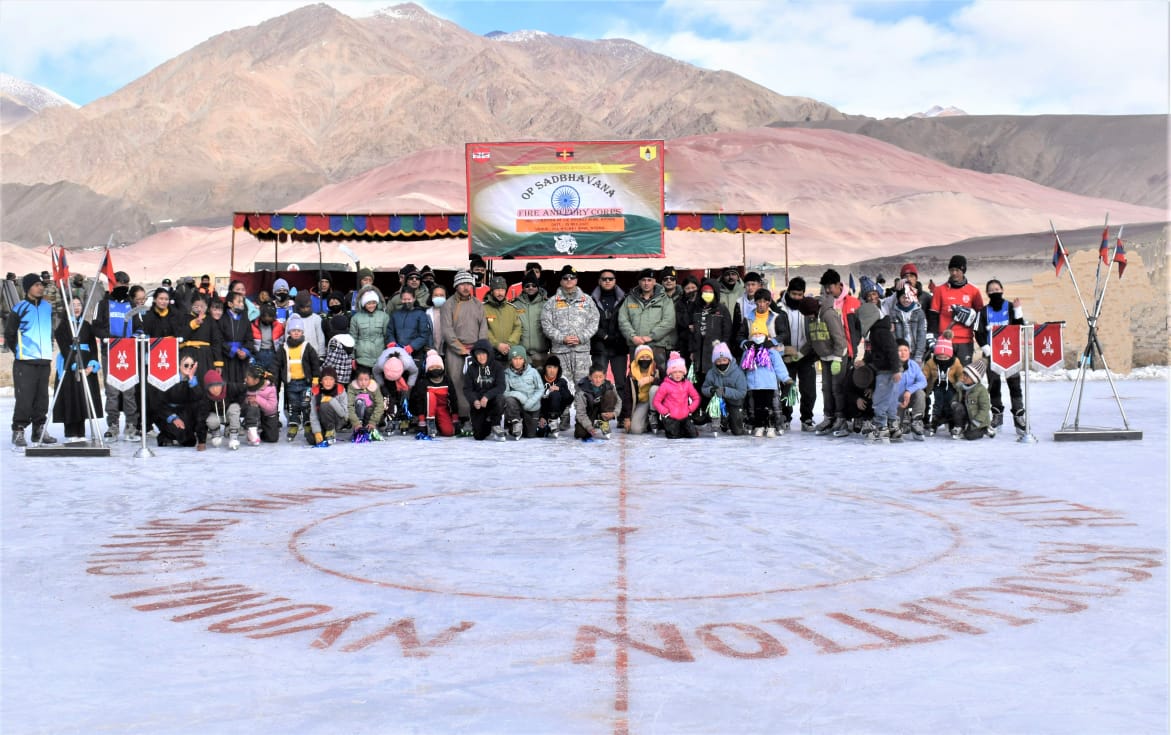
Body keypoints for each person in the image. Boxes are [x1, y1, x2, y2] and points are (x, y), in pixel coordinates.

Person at [6, 274, 58, 446]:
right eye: (36, 285)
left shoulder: (47, 307)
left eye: (41, 285)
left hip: (44, 360)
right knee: (25, 398)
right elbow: (10, 334)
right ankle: (19, 430)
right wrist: (20, 352)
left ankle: (39, 430)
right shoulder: (19, 308)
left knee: (42, 398)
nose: (40, 288)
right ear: (28, 287)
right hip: (25, 361)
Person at [92, 272, 143, 441]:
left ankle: (131, 425)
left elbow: (139, 328)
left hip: (128, 352)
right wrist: (109, 338)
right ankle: (112, 424)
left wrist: (135, 337)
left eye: (126, 283)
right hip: (110, 352)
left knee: (129, 390)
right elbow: (96, 327)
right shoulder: (103, 304)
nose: (123, 286)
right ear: (112, 284)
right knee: (112, 391)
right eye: (120, 283)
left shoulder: (132, 305)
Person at [976, 279, 1027, 434]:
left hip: (1010, 354)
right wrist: (986, 349)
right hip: (992, 355)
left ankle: (1019, 417)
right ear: (987, 293)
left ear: (1002, 290)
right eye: (991, 290)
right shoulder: (984, 312)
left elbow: (1021, 328)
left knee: (1014, 385)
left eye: (997, 289)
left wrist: (1018, 311)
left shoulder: (1010, 307)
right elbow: (979, 332)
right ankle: (997, 415)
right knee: (994, 385)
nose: (994, 292)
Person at [52, 296, 104, 444]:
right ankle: (70, 432)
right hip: (70, 364)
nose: (76, 307)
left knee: (83, 398)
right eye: (72, 304)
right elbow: (64, 348)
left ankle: (80, 431)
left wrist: (92, 364)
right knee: (71, 397)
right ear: (67, 308)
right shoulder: (63, 327)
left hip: (87, 364)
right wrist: (76, 365)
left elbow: (93, 346)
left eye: (78, 304)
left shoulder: (86, 326)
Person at [811, 269, 855, 437]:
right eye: (825, 287)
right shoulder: (824, 305)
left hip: (844, 350)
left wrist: (852, 350)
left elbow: (854, 329)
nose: (827, 290)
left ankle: (841, 417)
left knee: (839, 387)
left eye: (830, 287)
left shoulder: (850, 302)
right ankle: (829, 416)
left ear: (838, 285)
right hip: (829, 352)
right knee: (827, 387)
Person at [440, 270, 488, 422]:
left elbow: (483, 327)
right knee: (456, 381)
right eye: (462, 284)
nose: (466, 287)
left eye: (468, 284)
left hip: (475, 350)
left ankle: (476, 414)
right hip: (455, 351)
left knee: (477, 382)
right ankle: (459, 416)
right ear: (456, 286)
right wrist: (461, 349)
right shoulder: (448, 305)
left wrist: (479, 348)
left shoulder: (478, 304)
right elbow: (447, 330)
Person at [540, 266, 599, 391]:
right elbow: (546, 324)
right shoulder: (551, 302)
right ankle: (565, 411)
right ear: (561, 281)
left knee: (584, 387)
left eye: (572, 277)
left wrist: (581, 337)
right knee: (562, 386)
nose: (569, 280)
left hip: (581, 351)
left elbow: (594, 322)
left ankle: (582, 411)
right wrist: (562, 338)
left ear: (576, 280)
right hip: (561, 351)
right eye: (565, 278)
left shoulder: (587, 301)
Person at [775, 277, 818, 431]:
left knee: (809, 389)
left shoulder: (808, 307)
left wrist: (807, 352)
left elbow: (814, 330)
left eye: (800, 295)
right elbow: (774, 333)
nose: (797, 298)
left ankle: (807, 418)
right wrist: (783, 349)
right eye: (794, 294)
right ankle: (785, 416)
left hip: (806, 355)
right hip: (786, 356)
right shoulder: (779, 308)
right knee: (787, 388)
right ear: (788, 291)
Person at [272, 314, 321, 442]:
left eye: (298, 331)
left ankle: (308, 426)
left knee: (306, 405)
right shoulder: (284, 347)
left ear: (302, 332)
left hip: (306, 382)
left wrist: (316, 378)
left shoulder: (307, 346)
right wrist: (274, 376)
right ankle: (293, 425)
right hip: (291, 383)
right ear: (289, 332)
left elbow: (315, 363)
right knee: (294, 407)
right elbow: (277, 363)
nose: (296, 333)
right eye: (293, 331)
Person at [856, 302, 900, 440]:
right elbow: (877, 353)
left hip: (887, 371)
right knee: (890, 399)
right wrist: (866, 360)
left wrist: (896, 369)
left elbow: (892, 350)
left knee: (880, 399)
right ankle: (893, 426)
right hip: (888, 370)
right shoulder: (879, 331)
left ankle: (881, 427)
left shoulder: (880, 332)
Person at [929, 255, 984, 365]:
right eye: (951, 270)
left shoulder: (974, 291)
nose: (954, 273)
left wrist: (971, 318)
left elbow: (980, 316)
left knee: (963, 376)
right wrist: (932, 336)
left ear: (963, 271)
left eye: (957, 270)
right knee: (945, 375)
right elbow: (933, 316)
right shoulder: (940, 290)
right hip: (944, 340)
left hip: (965, 340)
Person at [589, 268, 629, 419]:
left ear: (615, 281)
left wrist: (618, 336)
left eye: (610, 279)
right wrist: (604, 336)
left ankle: (621, 416)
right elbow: (589, 321)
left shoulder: (624, 298)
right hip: (600, 346)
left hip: (619, 346)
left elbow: (627, 320)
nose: (607, 281)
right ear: (599, 281)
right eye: (604, 279)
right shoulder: (591, 299)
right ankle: (596, 415)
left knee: (620, 383)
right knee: (598, 382)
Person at [686, 280, 735, 402]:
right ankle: (700, 409)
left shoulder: (722, 309)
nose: (707, 294)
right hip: (699, 350)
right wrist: (691, 350)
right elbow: (690, 332)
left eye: (710, 292)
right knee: (699, 379)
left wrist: (724, 350)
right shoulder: (695, 309)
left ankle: (714, 409)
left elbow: (727, 332)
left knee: (713, 378)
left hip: (715, 350)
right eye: (704, 292)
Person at [618, 268, 676, 368]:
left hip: (657, 346)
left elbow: (669, 322)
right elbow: (623, 320)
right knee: (636, 377)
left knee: (658, 377)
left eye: (649, 280)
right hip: (636, 345)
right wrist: (633, 337)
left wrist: (651, 336)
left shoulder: (665, 299)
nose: (646, 283)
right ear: (639, 282)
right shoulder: (629, 299)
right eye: (643, 280)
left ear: (654, 282)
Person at [739, 328, 791, 438]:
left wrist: (785, 378)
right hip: (753, 385)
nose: (757, 336)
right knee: (756, 408)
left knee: (770, 407)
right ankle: (759, 426)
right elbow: (742, 368)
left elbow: (779, 366)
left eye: (760, 333)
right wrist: (740, 381)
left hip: (768, 384)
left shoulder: (771, 351)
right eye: (755, 334)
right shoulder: (748, 352)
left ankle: (771, 426)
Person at [148, 356, 200, 447]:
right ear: (179, 366)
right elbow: (159, 403)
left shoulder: (193, 380)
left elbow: (198, 398)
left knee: (189, 441)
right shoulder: (168, 380)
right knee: (177, 430)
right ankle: (165, 436)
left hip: (185, 413)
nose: (189, 368)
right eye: (186, 365)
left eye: (191, 366)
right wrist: (173, 417)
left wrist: (192, 379)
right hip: (167, 413)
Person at [700, 341, 748, 436]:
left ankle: (737, 420)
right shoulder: (711, 373)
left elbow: (742, 392)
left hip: (734, 403)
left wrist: (725, 391)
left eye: (724, 360)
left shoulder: (737, 373)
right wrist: (711, 390)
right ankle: (718, 423)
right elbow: (704, 388)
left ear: (729, 360)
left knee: (737, 431)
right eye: (718, 361)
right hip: (718, 403)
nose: (721, 363)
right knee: (715, 407)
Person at [409, 350, 460, 438]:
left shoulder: (447, 380)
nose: (435, 369)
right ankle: (430, 423)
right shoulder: (423, 382)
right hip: (427, 410)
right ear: (427, 369)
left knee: (449, 432)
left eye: (437, 366)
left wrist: (455, 417)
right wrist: (421, 420)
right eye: (432, 367)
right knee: (430, 395)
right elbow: (420, 401)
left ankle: (439, 424)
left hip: (442, 409)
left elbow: (453, 399)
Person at [463, 339, 506, 441]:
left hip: (492, 400)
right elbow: (467, 389)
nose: (481, 357)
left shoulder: (497, 366)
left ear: (488, 353)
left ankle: (495, 424)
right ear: (475, 355)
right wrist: (474, 400)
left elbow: (501, 386)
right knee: (479, 436)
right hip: (478, 404)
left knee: (500, 398)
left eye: (483, 354)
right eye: (478, 354)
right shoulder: (471, 369)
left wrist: (487, 396)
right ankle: (488, 422)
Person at [922, 330, 964, 436]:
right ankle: (934, 421)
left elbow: (960, 373)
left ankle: (950, 422)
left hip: (951, 386)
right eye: (939, 357)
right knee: (937, 404)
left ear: (950, 355)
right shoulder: (931, 362)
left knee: (949, 404)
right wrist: (922, 379)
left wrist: (960, 382)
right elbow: (925, 371)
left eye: (945, 357)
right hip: (937, 386)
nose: (942, 359)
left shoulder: (955, 361)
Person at [651, 351, 700, 439]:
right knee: (674, 436)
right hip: (671, 417)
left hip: (685, 416)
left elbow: (696, 398)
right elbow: (656, 401)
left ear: (683, 373)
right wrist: (665, 412)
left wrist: (690, 409)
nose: (677, 374)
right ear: (670, 373)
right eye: (675, 372)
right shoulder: (665, 385)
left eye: (680, 372)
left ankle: (683, 427)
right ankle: (671, 428)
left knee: (693, 434)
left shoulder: (687, 384)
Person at [373, 343, 419, 435]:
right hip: (387, 378)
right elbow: (375, 372)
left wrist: (409, 385)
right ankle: (390, 420)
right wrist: (381, 384)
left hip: (403, 376)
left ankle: (404, 421)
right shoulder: (380, 364)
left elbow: (414, 371)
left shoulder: (408, 362)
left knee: (404, 398)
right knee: (389, 398)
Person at [197, 369, 245, 450]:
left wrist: (239, 403)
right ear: (207, 388)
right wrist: (202, 442)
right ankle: (215, 432)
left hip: (228, 414)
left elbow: (244, 389)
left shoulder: (230, 387)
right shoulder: (205, 398)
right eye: (211, 387)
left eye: (218, 385)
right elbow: (201, 419)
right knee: (210, 420)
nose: (215, 390)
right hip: (216, 416)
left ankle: (233, 435)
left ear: (222, 384)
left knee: (235, 407)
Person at [502, 345, 543, 439]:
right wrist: (520, 396)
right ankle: (515, 423)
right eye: (515, 359)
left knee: (530, 435)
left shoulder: (533, 372)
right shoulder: (507, 374)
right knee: (509, 400)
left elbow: (540, 389)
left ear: (524, 360)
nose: (517, 362)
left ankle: (525, 425)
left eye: (520, 359)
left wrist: (530, 402)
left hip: (532, 406)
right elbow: (505, 392)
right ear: (511, 360)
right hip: (517, 406)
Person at [511, 272, 549, 370]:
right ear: (523, 288)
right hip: (522, 355)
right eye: (527, 286)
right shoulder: (515, 305)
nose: (530, 288)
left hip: (541, 354)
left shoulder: (546, 304)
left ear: (538, 287)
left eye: (533, 285)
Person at [573, 363, 621, 441]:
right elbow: (580, 413)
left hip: (603, 412)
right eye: (595, 377)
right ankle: (595, 423)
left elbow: (619, 401)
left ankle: (603, 422)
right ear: (590, 377)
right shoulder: (582, 389)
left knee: (610, 394)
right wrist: (589, 427)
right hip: (589, 414)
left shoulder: (609, 386)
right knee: (580, 434)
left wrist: (614, 413)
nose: (598, 380)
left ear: (604, 377)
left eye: (600, 377)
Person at [349, 285, 390, 374]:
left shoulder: (384, 317)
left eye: (374, 302)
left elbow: (387, 337)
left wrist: (389, 355)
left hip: (380, 357)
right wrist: (352, 357)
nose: (371, 305)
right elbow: (353, 338)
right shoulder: (356, 318)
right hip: (362, 359)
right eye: (368, 303)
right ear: (363, 304)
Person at [179, 293, 221, 379]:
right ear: (191, 305)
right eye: (196, 306)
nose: (199, 308)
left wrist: (218, 363)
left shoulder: (210, 320)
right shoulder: (184, 318)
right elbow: (181, 337)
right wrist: (194, 323)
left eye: (202, 306)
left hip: (205, 356)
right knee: (187, 381)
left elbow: (216, 342)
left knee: (204, 381)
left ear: (206, 306)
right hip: (188, 354)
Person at [893, 339, 929, 440]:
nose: (903, 353)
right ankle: (900, 423)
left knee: (920, 393)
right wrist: (897, 404)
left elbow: (923, 382)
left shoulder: (913, 365)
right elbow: (886, 392)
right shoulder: (891, 367)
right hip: (894, 403)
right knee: (895, 432)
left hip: (908, 398)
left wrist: (909, 391)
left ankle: (916, 422)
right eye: (900, 350)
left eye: (906, 350)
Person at [884, 283, 928, 364]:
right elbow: (892, 336)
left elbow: (922, 334)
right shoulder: (893, 313)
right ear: (898, 298)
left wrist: (918, 356)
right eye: (903, 297)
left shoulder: (919, 313)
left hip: (915, 353)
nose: (906, 300)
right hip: (900, 354)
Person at [483, 276, 522, 363]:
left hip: (510, 352)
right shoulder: (483, 308)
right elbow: (483, 329)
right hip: (490, 352)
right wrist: (497, 345)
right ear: (492, 291)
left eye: (502, 289)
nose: (500, 293)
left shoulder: (512, 308)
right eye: (497, 289)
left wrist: (509, 344)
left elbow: (517, 328)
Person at [625, 344, 662, 435]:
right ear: (637, 358)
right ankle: (647, 422)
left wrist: (652, 379)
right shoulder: (631, 374)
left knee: (654, 389)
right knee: (635, 430)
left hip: (658, 402)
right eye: (642, 357)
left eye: (647, 357)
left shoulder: (657, 369)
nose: (645, 359)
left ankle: (654, 416)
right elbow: (627, 396)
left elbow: (667, 383)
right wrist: (627, 418)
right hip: (642, 402)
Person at [218, 291, 254, 385]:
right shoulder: (222, 319)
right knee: (228, 385)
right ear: (230, 304)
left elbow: (250, 339)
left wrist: (245, 351)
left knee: (241, 384)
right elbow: (219, 340)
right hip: (227, 358)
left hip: (241, 360)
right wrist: (233, 350)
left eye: (243, 302)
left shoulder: (245, 320)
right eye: (239, 302)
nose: (242, 304)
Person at [308, 366, 348, 447]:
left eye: (331, 379)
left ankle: (331, 431)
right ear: (321, 381)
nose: (328, 382)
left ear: (335, 381)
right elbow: (313, 415)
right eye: (325, 379)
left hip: (339, 420)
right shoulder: (316, 392)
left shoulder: (340, 390)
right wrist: (317, 432)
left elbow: (344, 414)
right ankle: (324, 432)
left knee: (325, 404)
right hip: (323, 421)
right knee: (311, 438)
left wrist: (331, 400)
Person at [953, 359, 992, 440]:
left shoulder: (981, 390)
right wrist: (954, 403)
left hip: (977, 419)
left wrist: (977, 420)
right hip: (965, 415)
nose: (963, 377)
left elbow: (985, 408)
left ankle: (985, 429)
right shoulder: (961, 387)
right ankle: (960, 426)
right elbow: (956, 397)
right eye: (963, 374)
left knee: (970, 436)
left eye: (967, 376)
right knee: (957, 406)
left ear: (974, 378)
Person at [243, 363, 281, 445]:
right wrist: (247, 401)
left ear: (256, 380)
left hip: (268, 415)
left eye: (248, 378)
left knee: (272, 438)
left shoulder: (270, 387)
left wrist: (257, 399)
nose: (245, 380)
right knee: (253, 407)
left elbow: (271, 408)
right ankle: (252, 430)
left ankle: (261, 432)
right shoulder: (245, 387)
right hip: (253, 414)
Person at [346, 365, 384, 442]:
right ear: (356, 379)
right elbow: (349, 406)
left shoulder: (374, 387)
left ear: (370, 379)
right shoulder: (352, 387)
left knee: (370, 432)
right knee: (360, 401)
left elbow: (380, 405)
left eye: (366, 379)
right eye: (360, 380)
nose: (363, 382)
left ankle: (372, 426)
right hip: (358, 415)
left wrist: (373, 421)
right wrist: (356, 423)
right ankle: (358, 427)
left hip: (371, 415)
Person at [537, 355, 572, 438]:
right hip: (541, 409)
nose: (552, 370)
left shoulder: (562, 380)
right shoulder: (538, 379)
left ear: (558, 368)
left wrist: (559, 389)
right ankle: (544, 423)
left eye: (555, 367)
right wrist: (541, 417)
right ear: (545, 368)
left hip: (557, 410)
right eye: (549, 367)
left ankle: (554, 420)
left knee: (555, 394)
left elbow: (569, 399)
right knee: (535, 433)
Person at [250, 301, 284, 372]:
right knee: (260, 378)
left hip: (273, 354)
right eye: (265, 317)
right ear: (261, 315)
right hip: (258, 354)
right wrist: (252, 356)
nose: (267, 320)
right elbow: (250, 342)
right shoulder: (253, 325)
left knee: (272, 378)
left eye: (270, 317)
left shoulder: (278, 326)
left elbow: (281, 341)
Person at [293, 291, 326, 356]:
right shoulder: (293, 318)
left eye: (307, 307)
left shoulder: (316, 318)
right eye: (303, 307)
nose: (305, 309)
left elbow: (320, 338)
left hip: (314, 354)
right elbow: (288, 337)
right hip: (297, 354)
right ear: (298, 307)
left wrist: (321, 354)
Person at [426, 284, 447, 356]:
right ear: (431, 297)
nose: (439, 297)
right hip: (430, 352)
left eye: (441, 295)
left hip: (446, 351)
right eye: (436, 295)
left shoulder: (451, 313)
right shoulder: (426, 313)